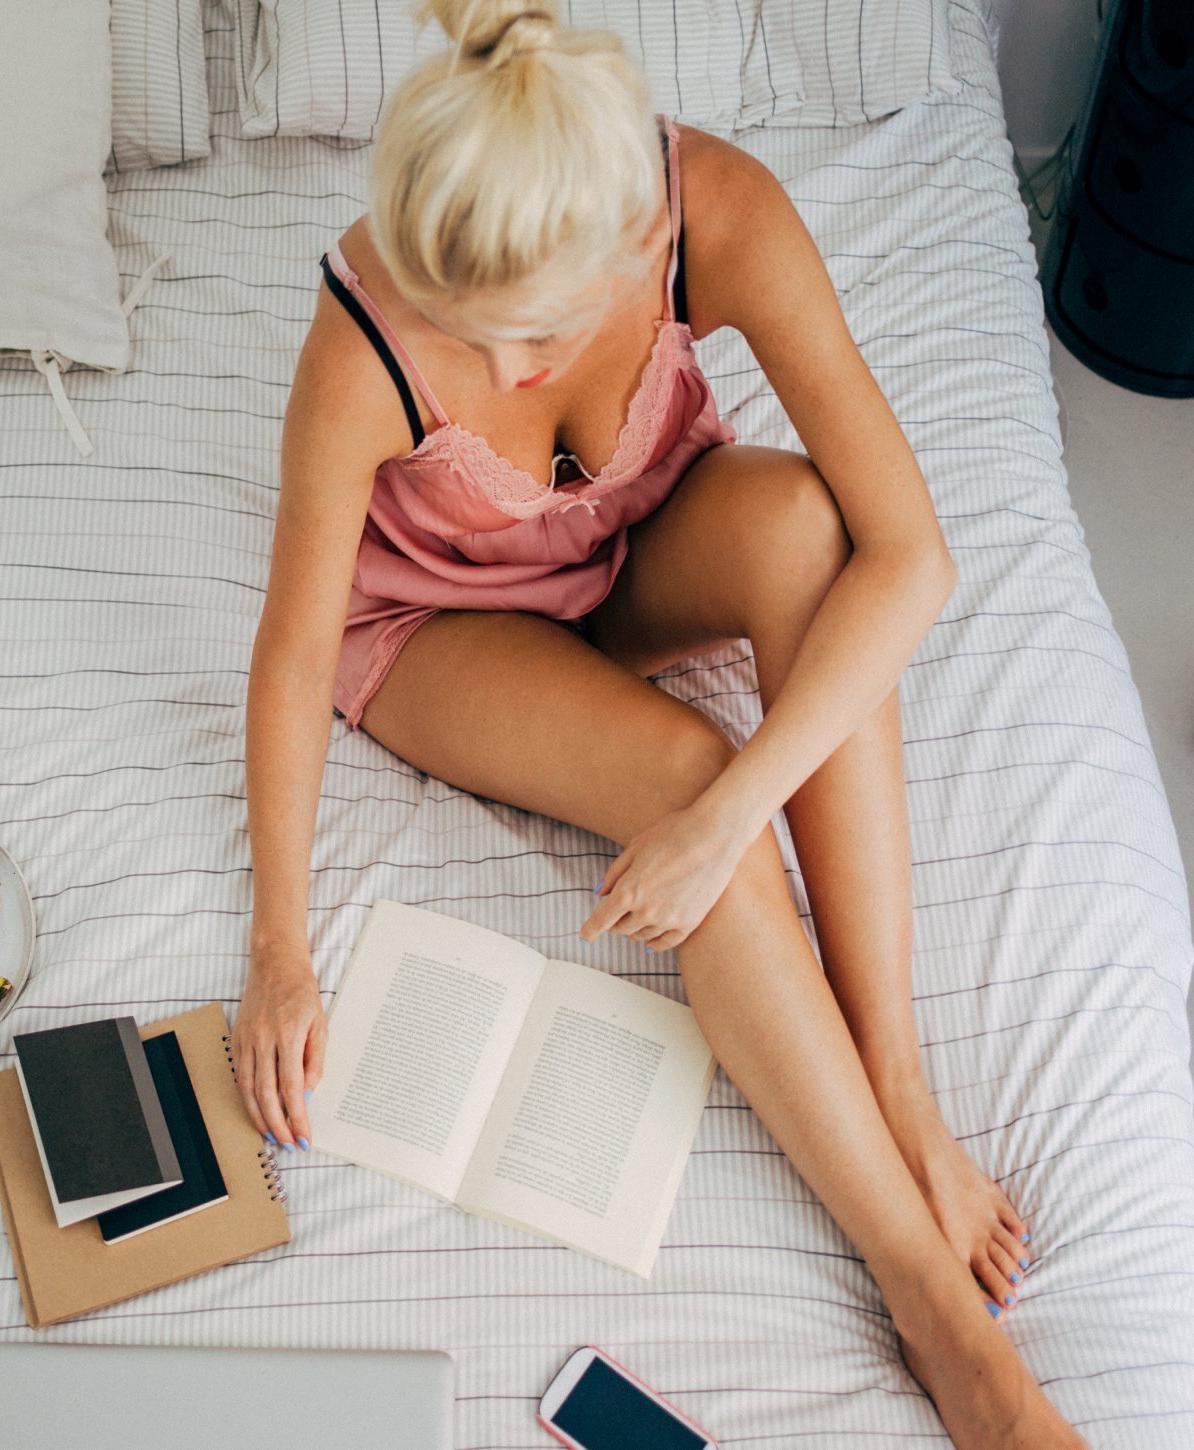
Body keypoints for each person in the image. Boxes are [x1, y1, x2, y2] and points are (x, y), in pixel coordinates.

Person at [234, 3, 1086, 1444]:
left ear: (634, 244)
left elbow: (912, 555)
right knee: (686, 765)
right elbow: (293, 640)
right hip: (441, 624)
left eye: (540, 334)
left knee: (806, 527)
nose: (507, 376)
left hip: (624, 555)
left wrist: (733, 814)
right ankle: (945, 1324)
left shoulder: (718, 211)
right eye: (469, 332)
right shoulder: (365, 333)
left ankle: (899, 1094)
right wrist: (280, 948)